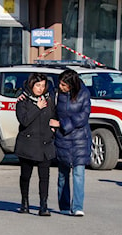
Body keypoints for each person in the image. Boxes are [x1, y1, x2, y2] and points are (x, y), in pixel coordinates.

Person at [51, 69, 91, 216]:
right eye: (60, 84)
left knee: (79, 173)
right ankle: (64, 205)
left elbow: (83, 116)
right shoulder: (56, 94)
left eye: (64, 84)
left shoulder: (84, 93)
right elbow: (52, 111)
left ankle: (78, 206)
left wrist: (62, 124)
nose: (61, 87)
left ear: (71, 84)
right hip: (62, 139)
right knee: (63, 174)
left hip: (80, 138)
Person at [15, 73, 56, 216]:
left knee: (44, 177)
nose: (40, 89)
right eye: (38, 85)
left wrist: (54, 126)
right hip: (28, 144)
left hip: (45, 143)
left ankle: (43, 205)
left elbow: (53, 115)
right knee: (25, 175)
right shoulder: (23, 101)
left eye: (43, 86)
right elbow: (24, 120)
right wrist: (37, 108)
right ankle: (24, 202)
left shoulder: (48, 100)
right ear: (31, 85)